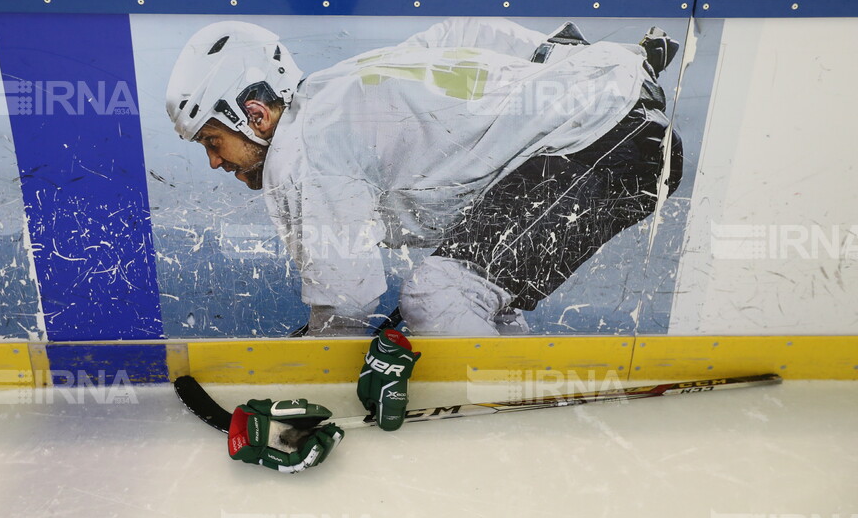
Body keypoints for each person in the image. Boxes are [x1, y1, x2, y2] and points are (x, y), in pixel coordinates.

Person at [165, 17, 682, 339]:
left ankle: (508, 431)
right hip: (624, 128)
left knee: (440, 296)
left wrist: (315, 362)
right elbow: (459, 32)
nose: (215, 162)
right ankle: (522, 390)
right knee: (477, 301)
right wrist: (558, 53)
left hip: (611, 138)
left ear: (255, 115)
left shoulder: (304, 142)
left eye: (213, 141)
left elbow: (347, 299)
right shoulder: (345, 83)